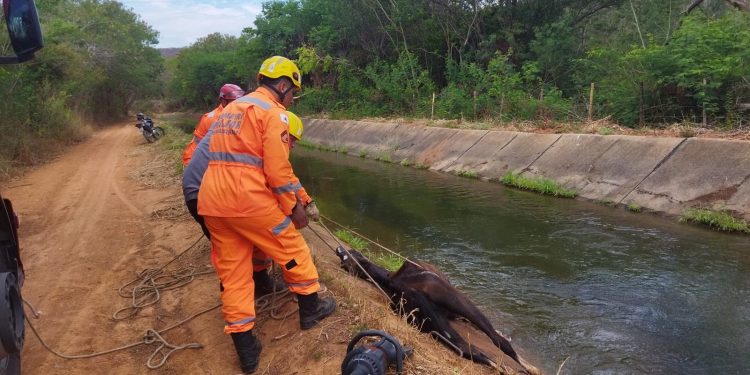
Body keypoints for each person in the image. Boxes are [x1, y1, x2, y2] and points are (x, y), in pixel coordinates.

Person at [197, 56, 332, 374]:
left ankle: (247, 350)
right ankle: (311, 310)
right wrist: (294, 208)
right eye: (293, 92)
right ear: (283, 85)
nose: (292, 98)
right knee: (293, 249)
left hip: (213, 201)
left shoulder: (231, 109)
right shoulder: (274, 114)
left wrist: (304, 197)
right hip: (248, 201)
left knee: (233, 275)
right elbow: (277, 169)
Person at [181, 83, 283, 298]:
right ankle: (236, 291)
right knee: (231, 248)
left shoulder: (240, 116)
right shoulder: (215, 119)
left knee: (245, 240)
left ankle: (257, 283)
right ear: (223, 101)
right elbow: (198, 152)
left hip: (216, 186)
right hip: (208, 189)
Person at [181, 84, 245, 167]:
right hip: (214, 164)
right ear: (223, 101)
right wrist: (190, 165)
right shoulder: (210, 119)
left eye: (239, 101)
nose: (238, 104)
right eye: (233, 101)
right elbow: (197, 143)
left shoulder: (245, 115)